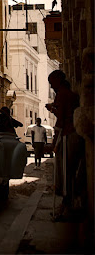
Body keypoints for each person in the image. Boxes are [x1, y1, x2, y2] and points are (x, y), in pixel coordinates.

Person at [46, 70, 84, 220]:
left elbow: (61, 121)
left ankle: (66, 207)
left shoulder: (62, 94)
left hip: (68, 135)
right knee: (71, 172)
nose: (51, 86)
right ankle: (68, 205)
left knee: (65, 173)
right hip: (75, 134)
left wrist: (54, 142)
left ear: (57, 81)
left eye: (52, 83)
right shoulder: (70, 94)